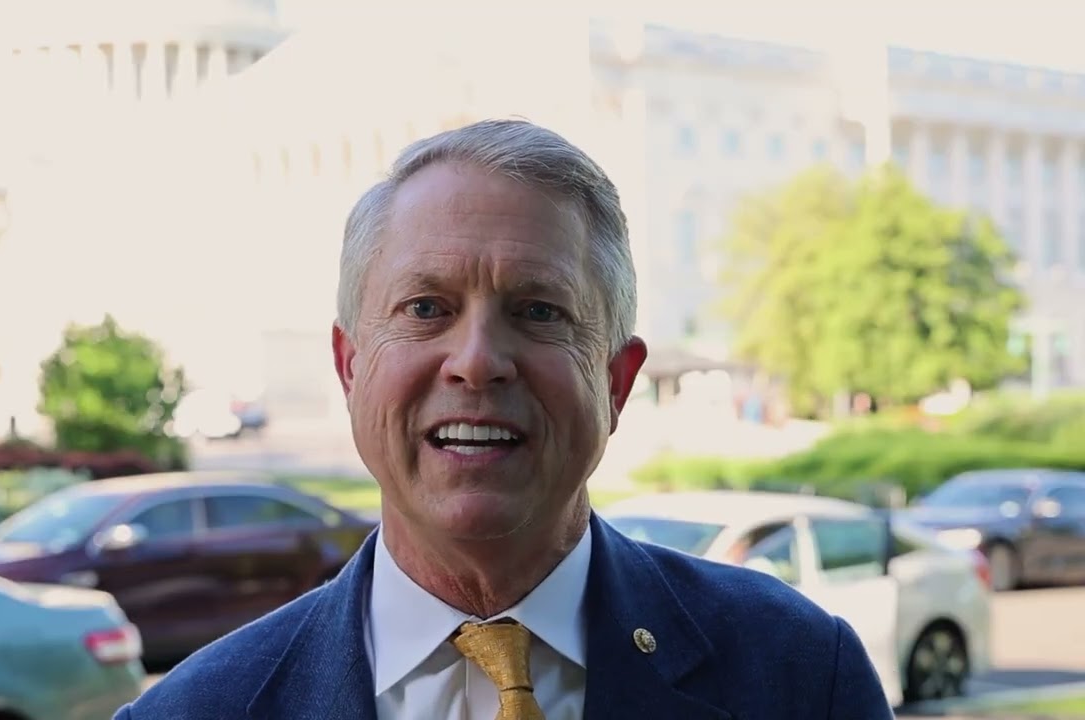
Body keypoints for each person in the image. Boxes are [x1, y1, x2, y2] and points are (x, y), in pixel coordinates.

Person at [116, 119, 894, 719]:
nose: (478, 361)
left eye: (538, 310)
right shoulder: (192, 712)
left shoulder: (798, 675)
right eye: (427, 309)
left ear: (616, 382)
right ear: (350, 367)